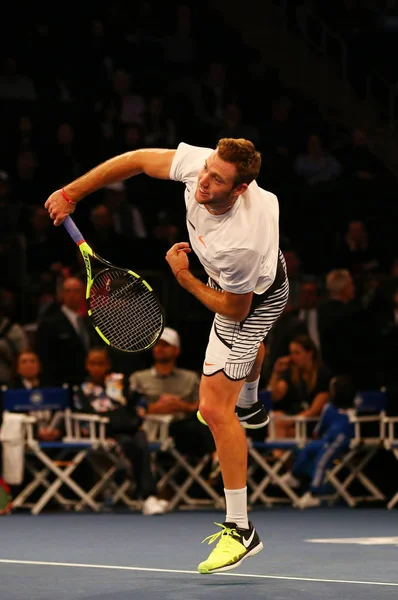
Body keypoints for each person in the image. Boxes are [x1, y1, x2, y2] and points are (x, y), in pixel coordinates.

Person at [44, 137, 289, 574]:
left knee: (214, 411)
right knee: (237, 387)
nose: (204, 180)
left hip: (252, 297)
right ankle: (250, 399)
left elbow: (236, 308)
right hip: (260, 277)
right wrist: (71, 192)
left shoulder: (241, 243)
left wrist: (184, 278)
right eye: (207, 169)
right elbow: (138, 160)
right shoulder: (204, 168)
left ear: (240, 191)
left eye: (218, 179)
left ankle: (241, 529)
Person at [73, 347, 168, 516]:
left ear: (108, 365)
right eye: (93, 364)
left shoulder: (119, 382)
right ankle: (148, 495)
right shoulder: (82, 390)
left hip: (130, 428)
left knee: (141, 440)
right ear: (87, 366)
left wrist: (138, 415)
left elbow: (138, 402)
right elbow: (83, 418)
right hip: (106, 434)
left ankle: (148, 497)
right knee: (129, 444)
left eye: (101, 364)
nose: (97, 368)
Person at [280, 374, 356, 508]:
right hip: (326, 440)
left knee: (322, 460)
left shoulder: (354, 411)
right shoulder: (329, 408)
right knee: (307, 448)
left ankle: (313, 494)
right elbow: (318, 430)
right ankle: (294, 476)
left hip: (342, 441)